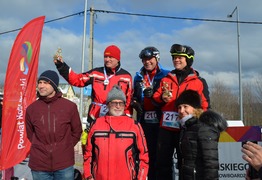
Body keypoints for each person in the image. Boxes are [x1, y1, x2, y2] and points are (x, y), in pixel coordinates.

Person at [152, 43, 210, 179]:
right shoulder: (166, 79)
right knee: (162, 164)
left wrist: (199, 123)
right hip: (166, 129)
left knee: (186, 164)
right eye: (174, 57)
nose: (176, 60)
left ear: (188, 60)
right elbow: (155, 99)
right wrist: (161, 97)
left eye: (180, 57)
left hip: (187, 129)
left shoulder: (198, 81)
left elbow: (205, 106)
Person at [54, 45, 133, 126]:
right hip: (95, 116)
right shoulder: (95, 73)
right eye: (105, 57)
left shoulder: (126, 76)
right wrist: (62, 66)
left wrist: (127, 117)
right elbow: (77, 80)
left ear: (118, 59)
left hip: (117, 116)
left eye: (110, 57)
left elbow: (129, 99)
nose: (107, 59)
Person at [25, 70, 83, 180]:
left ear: (54, 85)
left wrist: (66, 146)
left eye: (45, 83)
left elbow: (77, 131)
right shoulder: (31, 109)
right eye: (39, 82)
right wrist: (40, 147)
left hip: (64, 164)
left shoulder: (69, 107)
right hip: (39, 165)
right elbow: (30, 134)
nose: (41, 86)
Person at [83, 85, 149, 180]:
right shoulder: (96, 124)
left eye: (121, 103)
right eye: (114, 103)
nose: (118, 106)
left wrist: (141, 178)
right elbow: (88, 153)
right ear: (108, 104)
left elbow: (144, 155)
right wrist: (88, 176)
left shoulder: (134, 126)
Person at [132, 46, 169, 180]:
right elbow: (134, 95)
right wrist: (135, 102)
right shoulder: (138, 77)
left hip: (161, 120)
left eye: (149, 59)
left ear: (157, 58)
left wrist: (156, 97)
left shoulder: (166, 74)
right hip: (144, 120)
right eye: (144, 60)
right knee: (146, 154)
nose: (147, 62)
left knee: (162, 157)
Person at [175, 90, 227, 180]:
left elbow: (211, 163)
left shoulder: (204, 128)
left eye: (185, 106)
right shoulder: (186, 127)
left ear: (195, 108)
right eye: (179, 107)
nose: (181, 110)